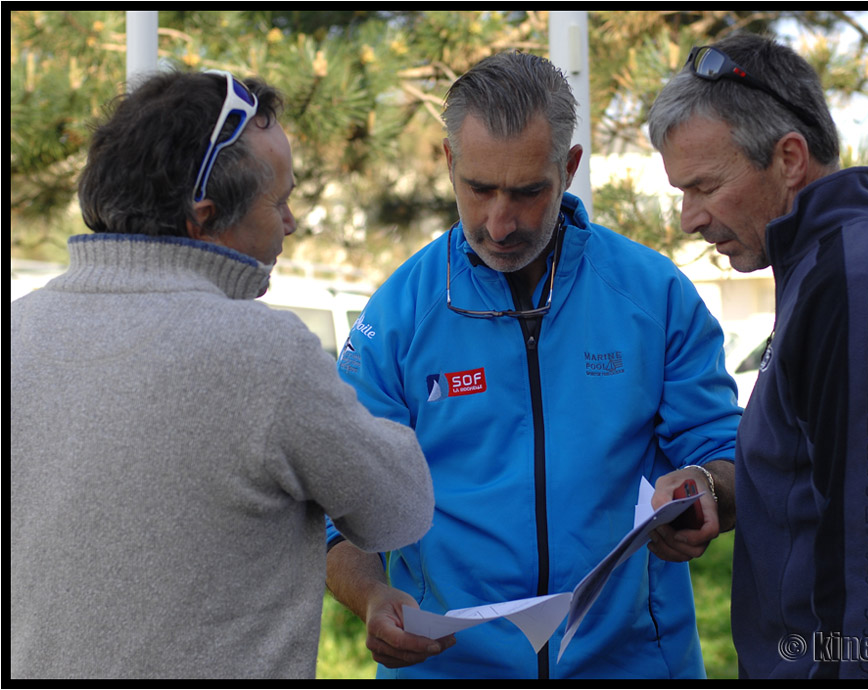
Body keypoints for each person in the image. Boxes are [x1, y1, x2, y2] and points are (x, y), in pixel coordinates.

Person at [325, 51, 742, 680]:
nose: (499, 223)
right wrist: (372, 597)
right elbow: (338, 505)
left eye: (526, 192)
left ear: (569, 169)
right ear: (448, 163)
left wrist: (708, 493)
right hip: (447, 669)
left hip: (633, 665)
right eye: (479, 189)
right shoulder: (399, 313)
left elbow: (725, 451)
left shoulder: (652, 295)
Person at [10, 69, 434, 680]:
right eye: (281, 201)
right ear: (204, 219)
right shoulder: (263, 354)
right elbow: (399, 510)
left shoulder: (17, 331)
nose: (291, 223)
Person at [647, 32, 868, 679]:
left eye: (703, 187)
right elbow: (825, 488)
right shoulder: (856, 262)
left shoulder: (859, 281)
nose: (688, 219)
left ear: (789, 158)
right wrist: (721, 494)